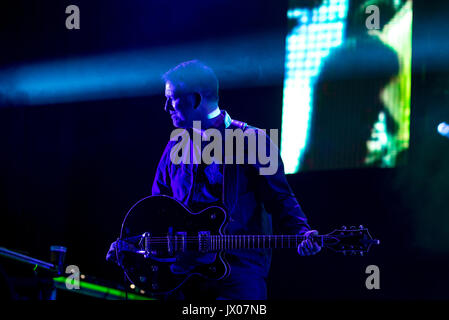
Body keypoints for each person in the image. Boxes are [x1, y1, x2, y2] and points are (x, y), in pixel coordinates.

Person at [106, 60, 321, 300]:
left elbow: (280, 198)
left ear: (196, 99)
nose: (166, 107)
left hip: (238, 274)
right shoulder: (174, 146)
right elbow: (157, 209)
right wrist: (131, 244)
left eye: (172, 98)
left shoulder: (253, 140)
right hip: (183, 275)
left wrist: (302, 232)